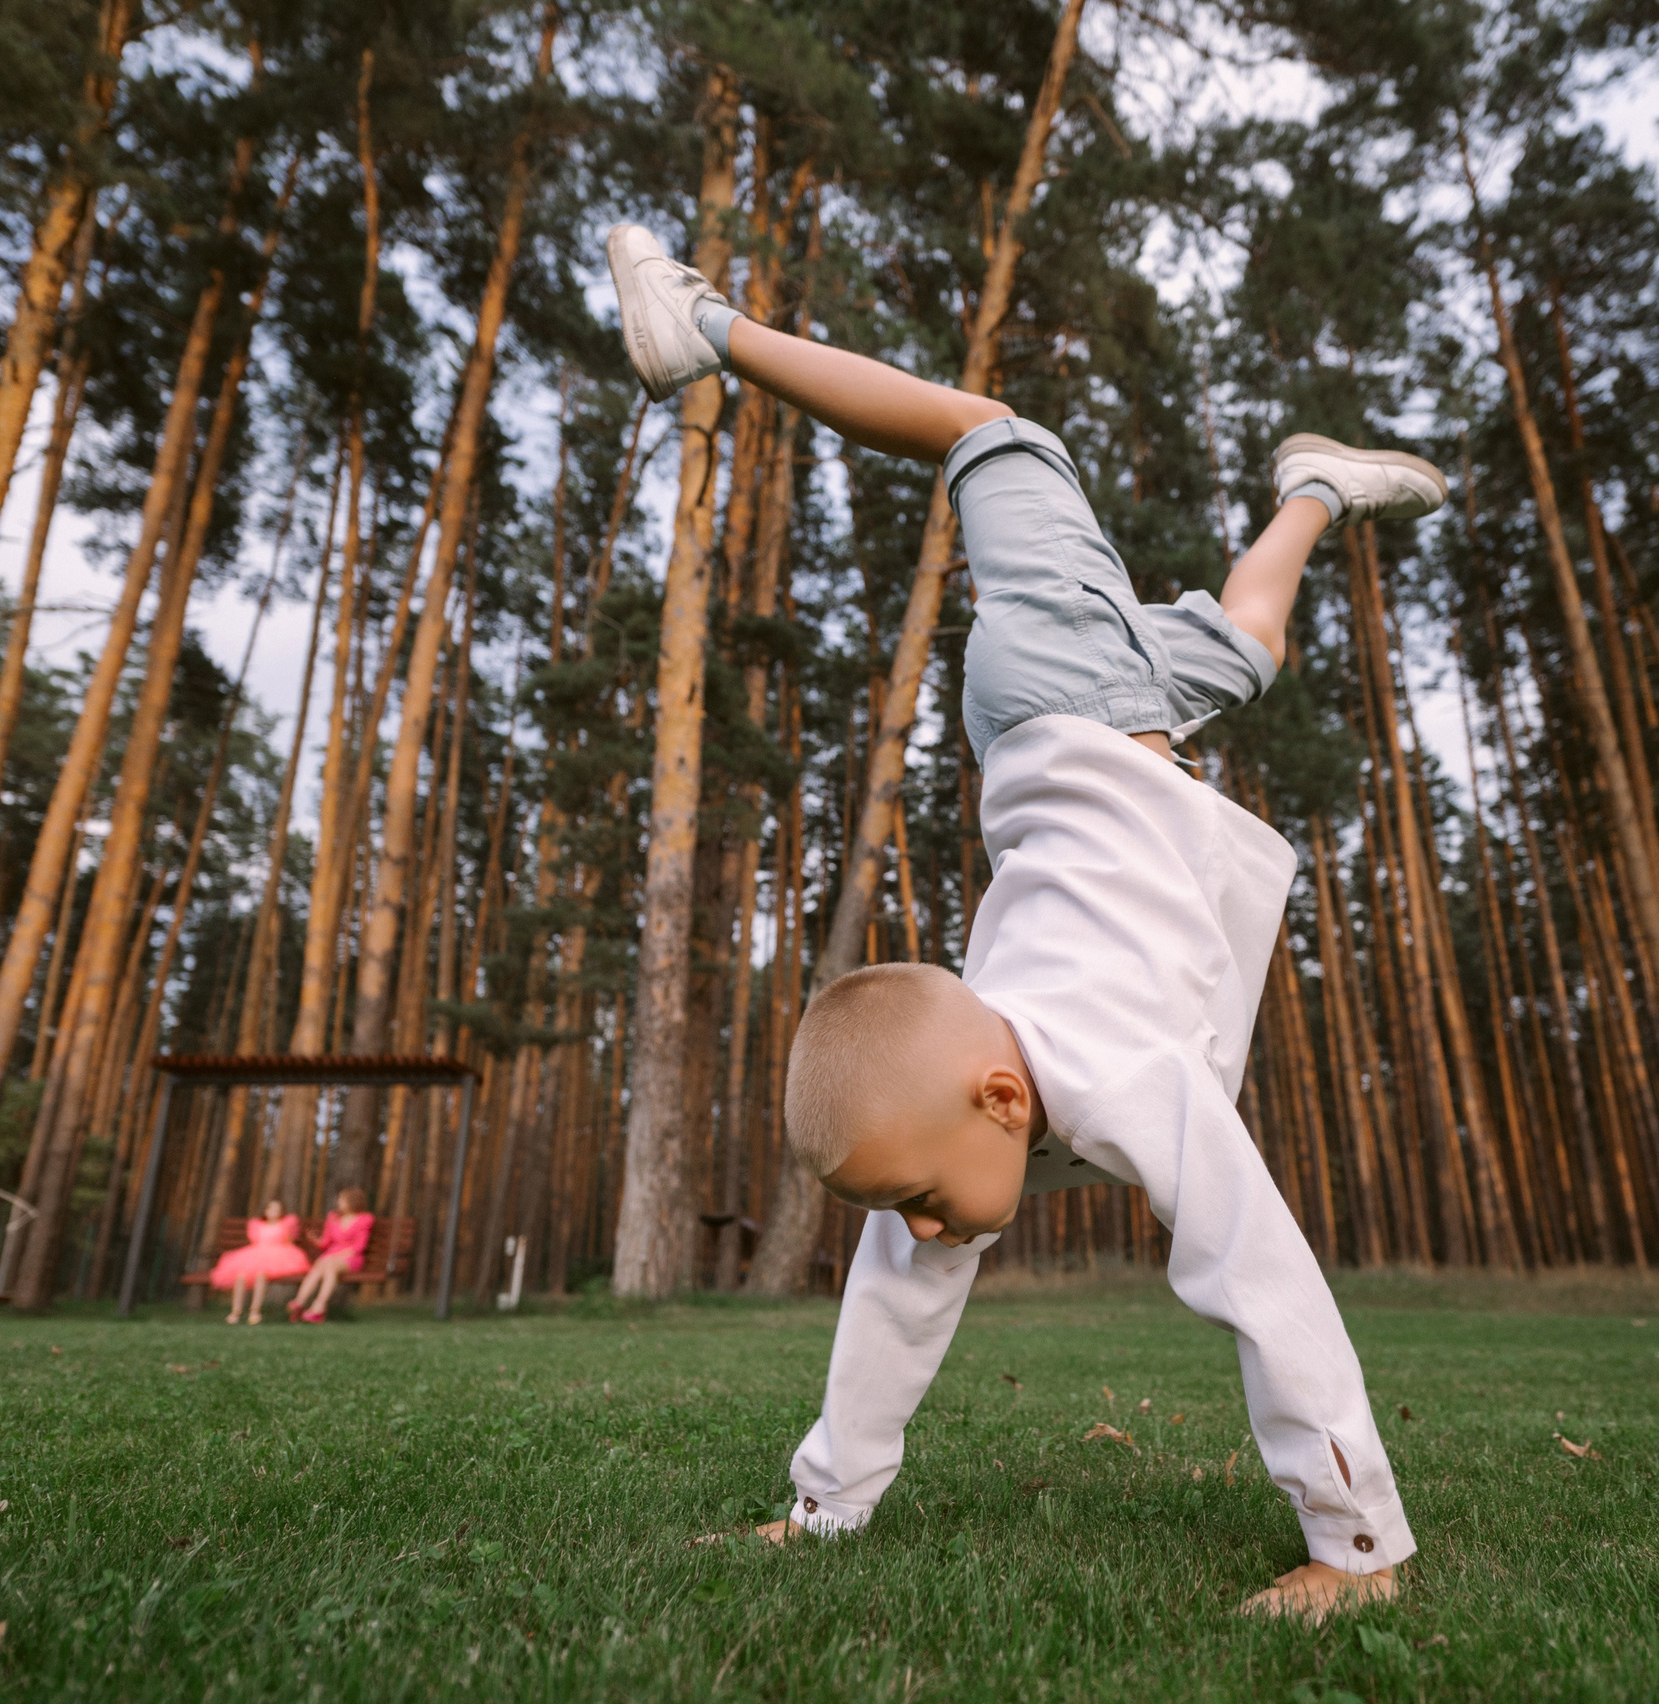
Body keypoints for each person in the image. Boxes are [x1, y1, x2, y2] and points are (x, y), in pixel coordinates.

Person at [604, 225, 1446, 1622]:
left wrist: (1355, 1545)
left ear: (1002, 1097)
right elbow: (893, 1308)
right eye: (909, 1204)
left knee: (990, 431)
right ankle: (1312, 486)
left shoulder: (1117, 1081)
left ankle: (703, 331)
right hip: (1119, 715)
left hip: (1060, 696)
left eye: (919, 1199)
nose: (924, 1225)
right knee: (1245, 652)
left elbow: (1268, 1283)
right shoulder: (962, 1121)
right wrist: (824, 1509)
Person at [209, 1199, 309, 1325]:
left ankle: (255, 1311)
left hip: (278, 1256)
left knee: (261, 1275)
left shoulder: (285, 1224)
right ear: (265, 1211)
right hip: (257, 1254)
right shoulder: (257, 1225)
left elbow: (289, 1241)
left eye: (277, 1209)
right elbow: (255, 1241)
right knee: (241, 1276)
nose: (274, 1212)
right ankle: (235, 1311)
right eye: (271, 1208)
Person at [288, 1188, 375, 1323]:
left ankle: (319, 1305)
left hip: (351, 1257)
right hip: (330, 1257)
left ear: (353, 1201)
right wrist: (315, 1239)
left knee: (329, 1265)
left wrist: (337, 1256)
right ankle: (299, 1302)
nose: (338, 1202)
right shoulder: (333, 1218)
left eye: (342, 1199)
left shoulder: (364, 1219)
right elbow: (325, 1243)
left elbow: (359, 1247)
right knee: (318, 1267)